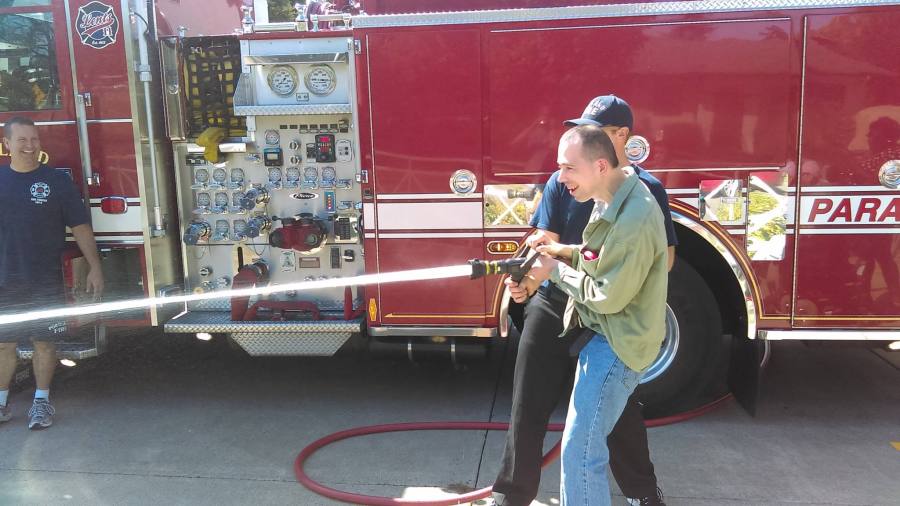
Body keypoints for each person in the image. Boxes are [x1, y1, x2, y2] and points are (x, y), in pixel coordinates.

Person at [493, 96, 676, 506]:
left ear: (617, 142)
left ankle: (644, 494)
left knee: (613, 415)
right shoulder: (569, 184)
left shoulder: (641, 195)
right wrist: (525, 282)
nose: (583, 139)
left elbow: (654, 261)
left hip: (602, 309)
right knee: (529, 397)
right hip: (559, 299)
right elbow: (548, 245)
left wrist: (598, 268)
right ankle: (512, 495)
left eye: (596, 132)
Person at [0, 116, 104, 430]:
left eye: (34, 139)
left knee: (44, 342)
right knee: (4, 345)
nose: (29, 146)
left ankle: (41, 403)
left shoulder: (56, 181)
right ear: (7, 144)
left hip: (46, 277)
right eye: (22, 140)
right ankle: (1, 404)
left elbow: (81, 227)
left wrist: (95, 267)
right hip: (6, 279)